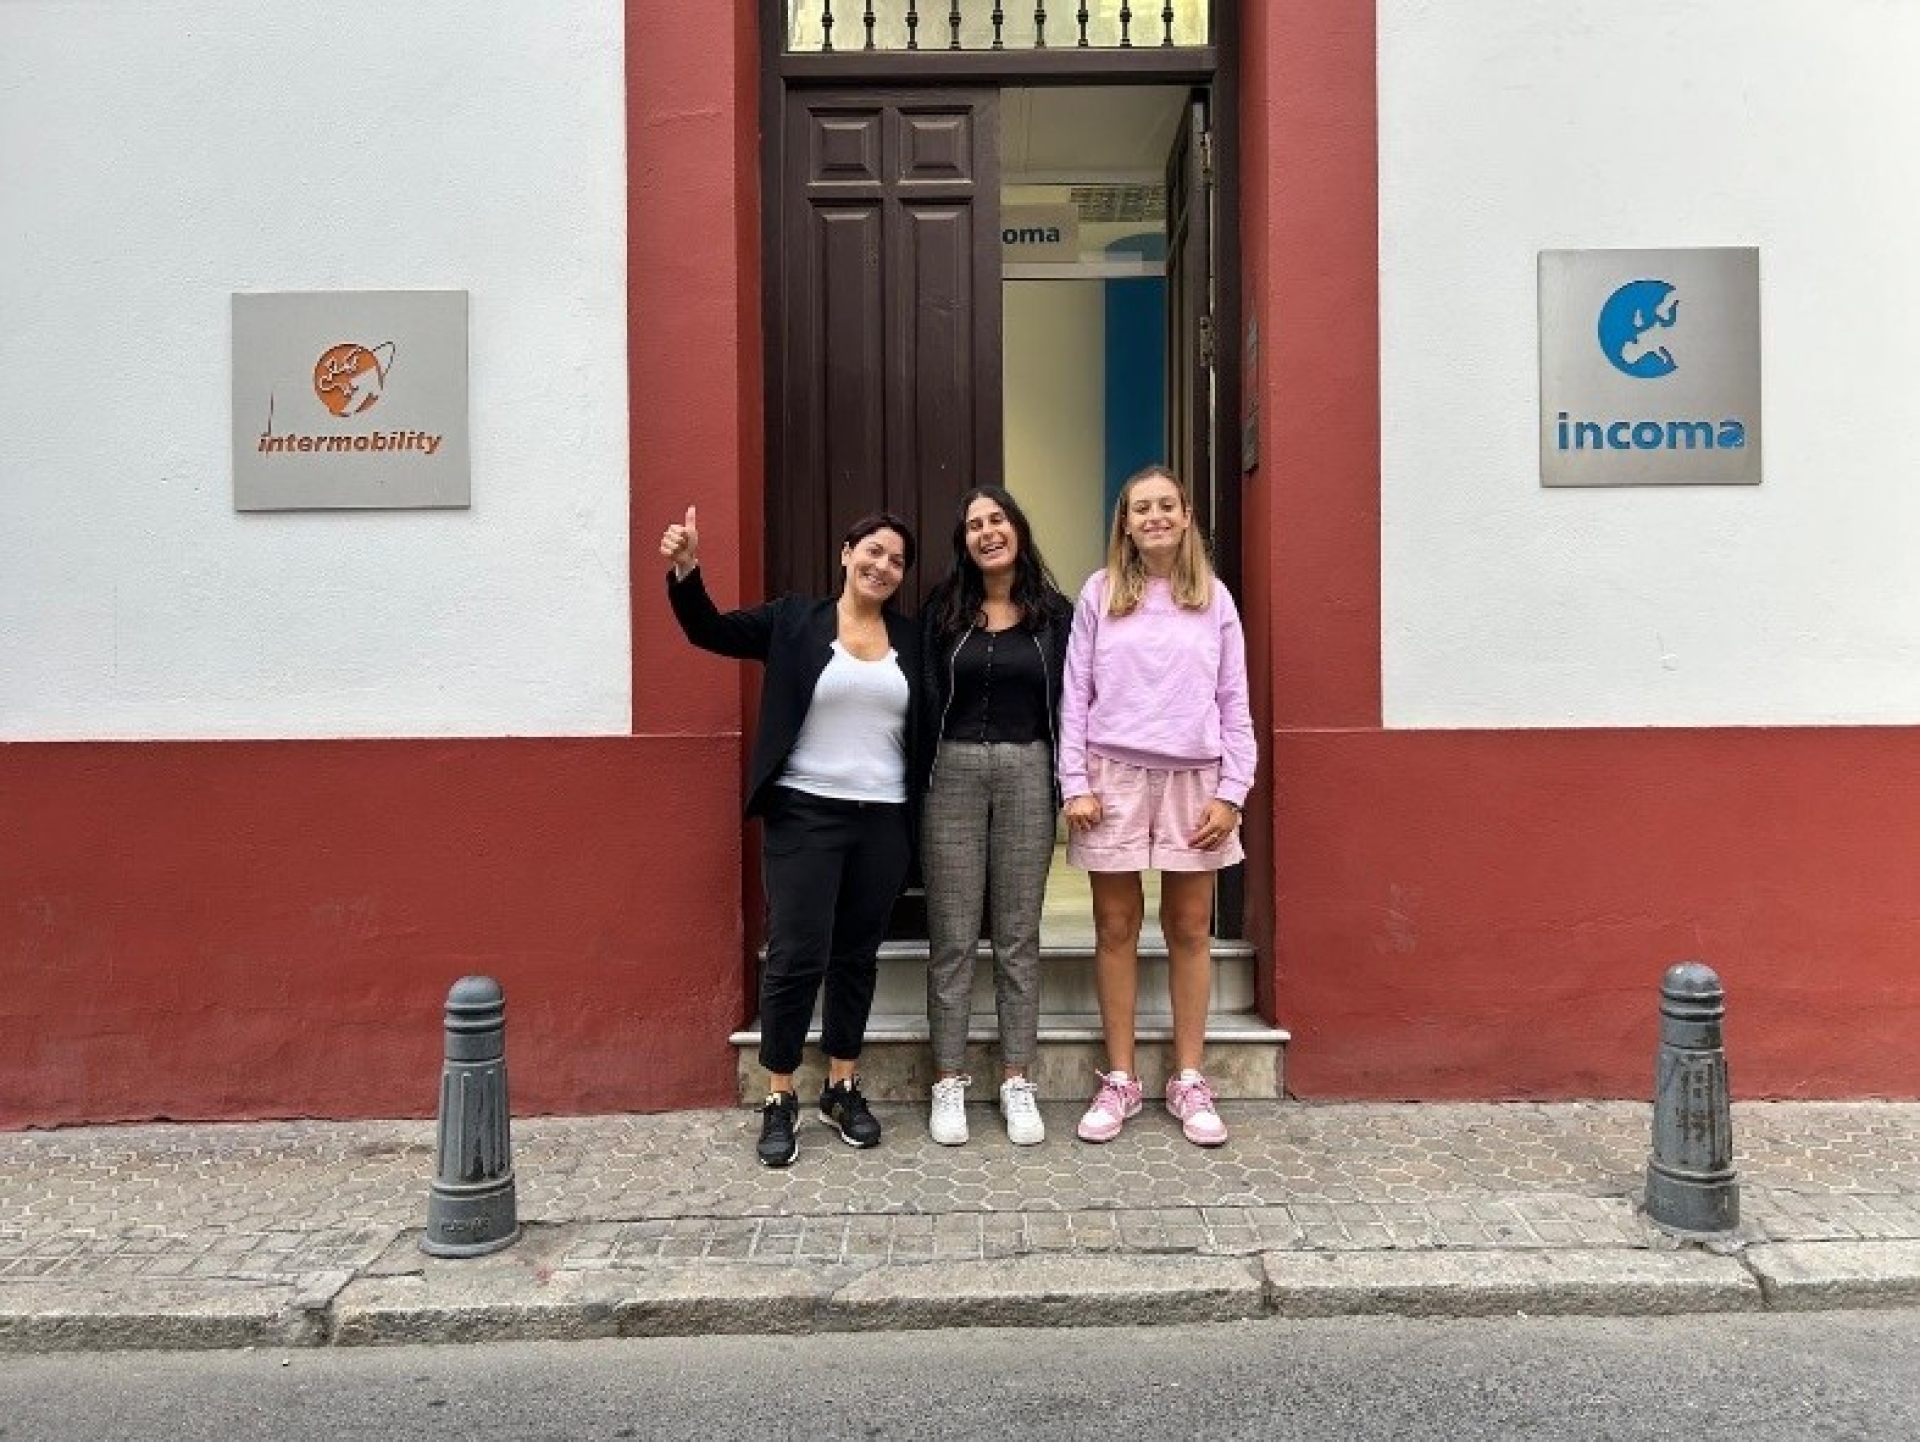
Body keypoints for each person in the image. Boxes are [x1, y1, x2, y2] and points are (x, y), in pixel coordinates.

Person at [661, 504, 922, 1168]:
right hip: (806, 813)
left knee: (856, 957)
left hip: (884, 819)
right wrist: (687, 571)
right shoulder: (793, 621)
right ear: (846, 553)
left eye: (896, 560)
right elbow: (710, 631)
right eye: (873, 551)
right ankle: (780, 1095)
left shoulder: (912, 639)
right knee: (797, 955)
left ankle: (841, 1086)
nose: (883, 566)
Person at [1057, 465, 1256, 1148]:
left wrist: (1232, 792)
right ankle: (1120, 1078)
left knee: (1190, 928)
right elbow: (1075, 695)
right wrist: (1075, 782)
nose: (1155, 517)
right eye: (1141, 508)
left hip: (1195, 779)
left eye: (1166, 505)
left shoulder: (1214, 599)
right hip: (1111, 776)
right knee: (1115, 927)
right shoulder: (1100, 593)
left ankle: (1189, 1077)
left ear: (1187, 515)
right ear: (1126, 523)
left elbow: (1234, 700)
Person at [919, 486, 1072, 1147]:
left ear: (1018, 529)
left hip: (1028, 769)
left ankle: (1016, 1079)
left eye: (997, 519)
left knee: (1017, 937)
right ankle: (948, 1080)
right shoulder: (943, 610)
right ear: (964, 542)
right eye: (974, 524)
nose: (987, 531)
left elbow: (1079, 698)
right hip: (951, 772)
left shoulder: (1055, 615)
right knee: (953, 938)